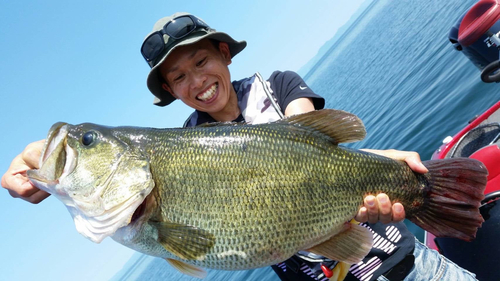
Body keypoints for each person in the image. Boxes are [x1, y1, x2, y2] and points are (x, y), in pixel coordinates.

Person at [2, 12, 477, 281]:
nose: (197, 82)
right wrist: (28, 162)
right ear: (170, 91)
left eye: (202, 61)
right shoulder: (187, 143)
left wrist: (383, 165)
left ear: (224, 54)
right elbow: (43, 152)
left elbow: (312, 142)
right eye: (179, 78)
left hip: (403, 266)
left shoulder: (281, 86)